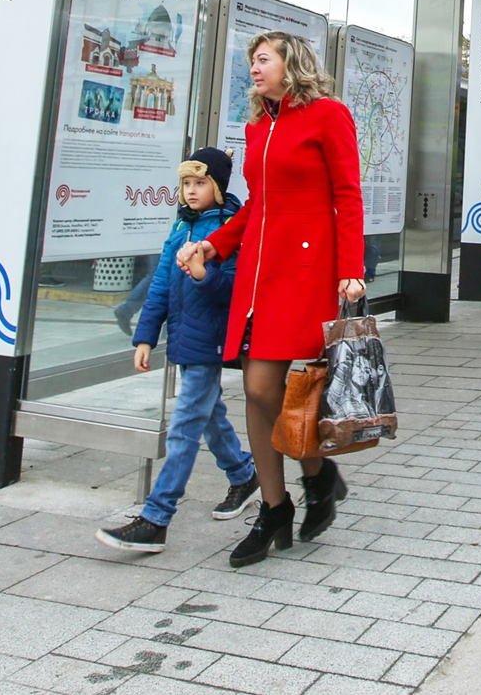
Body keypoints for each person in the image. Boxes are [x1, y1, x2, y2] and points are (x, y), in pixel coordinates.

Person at [178, 31, 365, 568]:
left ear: (291, 64)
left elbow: (347, 193)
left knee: (282, 390)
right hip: (261, 273)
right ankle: (283, 500)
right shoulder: (258, 123)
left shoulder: (328, 115)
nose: (254, 69)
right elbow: (258, 205)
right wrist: (215, 244)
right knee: (259, 388)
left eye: (262, 60)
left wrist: (351, 269)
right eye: (252, 62)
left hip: (309, 270)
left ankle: (314, 480)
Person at [98, 147, 259, 554]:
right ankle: (243, 474)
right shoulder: (179, 229)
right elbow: (159, 287)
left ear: (218, 187)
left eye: (200, 182)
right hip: (185, 339)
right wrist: (145, 337)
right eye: (186, 183)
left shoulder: (229, 230)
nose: (191, 191)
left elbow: (234, 292)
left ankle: (156, 517)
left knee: (186, 422)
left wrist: (205, 273)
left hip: (211, 341)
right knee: (208, 416)